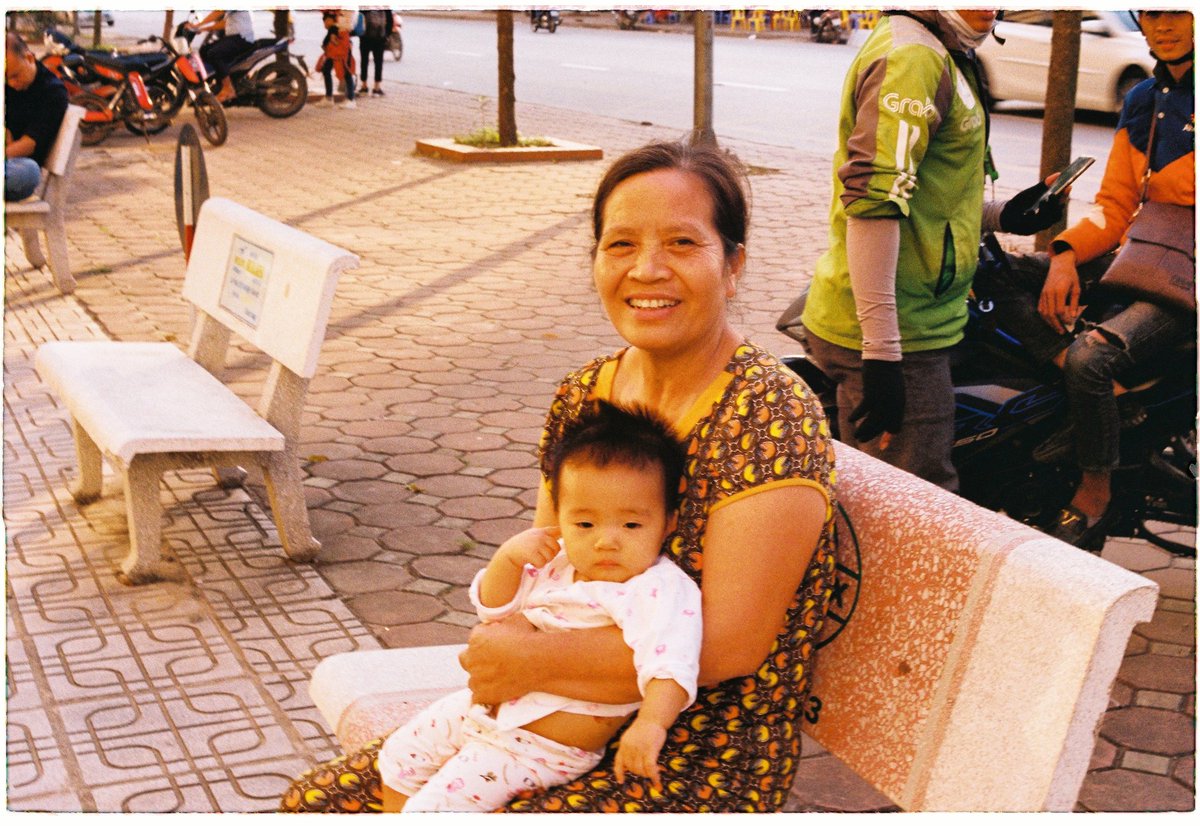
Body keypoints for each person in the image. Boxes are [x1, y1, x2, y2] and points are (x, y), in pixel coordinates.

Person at [279, 139, 838, 813]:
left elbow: (725, 648)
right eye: (622, 244)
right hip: (544, 716)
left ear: (733, 264)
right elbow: (552, 566)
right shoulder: (584, 396)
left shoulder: (769, 414)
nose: (648, 269)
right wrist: (509, 634)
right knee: (322, 801)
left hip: (691, 747)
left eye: (683, 244)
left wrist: (530, 660)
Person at [365, 401, 702, 812]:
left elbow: (673, 664)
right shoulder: (559, 563)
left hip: (538, 748)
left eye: (631, 524)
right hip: (482, 711)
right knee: (400, 756)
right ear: (560, 517)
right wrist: (507, 559)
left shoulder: (657, 589)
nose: (606, 541)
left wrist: (651, 723)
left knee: (433, 811)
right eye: (584, 524)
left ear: (667, 522)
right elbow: (494, 612)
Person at [798, 10, 1065, 490]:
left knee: (869, 504)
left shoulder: (947, 49)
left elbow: (931, 196)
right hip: (898, 331)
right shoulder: (913, 57)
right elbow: (874, 204)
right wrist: (882, 355)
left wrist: (1008, 215)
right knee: (918, 510)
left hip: (914, 317)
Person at [987, 10, 1195, 549]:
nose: (1164, 25)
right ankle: (1100, 400)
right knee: (995, 275)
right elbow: (1115, 207)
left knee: (1090, 359)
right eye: (1151, 13)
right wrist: (1062, 256)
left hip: (1189, 279)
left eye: (1178, 12)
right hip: (1143, 256)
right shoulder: (1145, 100)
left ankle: (1095, 489)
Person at [5, 31, 68, 202]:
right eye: (5, 78)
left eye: (15, 76)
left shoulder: (53, 93)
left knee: (28, 172)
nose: (11, 83)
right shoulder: (7, 86)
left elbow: (28, 145)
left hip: (15, 167)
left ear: (30, 58)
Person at [187, 10, 255, 103]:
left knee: (214, 54)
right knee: (204, 50)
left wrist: (197, 25)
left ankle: (228, 88)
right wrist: (203, 29)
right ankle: (216, 85)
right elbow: (224, 24)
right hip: (235, 38)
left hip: (241, 39)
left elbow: (218, 13)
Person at [315, 10, 356, 109]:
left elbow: (344, 25)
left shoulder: (344, 10)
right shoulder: (332, 10)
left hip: (341, 45)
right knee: (326, 69)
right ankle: (329, 98)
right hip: (333, 47)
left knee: (346, 71)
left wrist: (333, 29)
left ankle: (351, 99)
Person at [359, 8, 392, 97]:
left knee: (364, 61)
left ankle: (364, 86)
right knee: (378, 63)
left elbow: (359, 18)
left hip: (365, 38)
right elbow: (390, 21)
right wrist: (386, 36)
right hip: (379, 38)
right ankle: (377, 88)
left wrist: (360, 34)